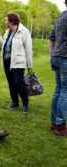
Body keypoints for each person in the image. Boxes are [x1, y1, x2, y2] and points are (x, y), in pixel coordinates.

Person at [0, 12, 32, 114]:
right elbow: (3, 45)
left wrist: (29, 65)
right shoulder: (7, 32)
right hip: (7, 61)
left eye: (6, 20)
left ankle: (25, 104)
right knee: (11, 82)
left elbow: (28, 49)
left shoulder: (24, 31)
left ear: (12, 21)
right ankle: (15, 102)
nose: (5, 21)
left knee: (19, 83)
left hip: (18, 62)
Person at [48, 0, 67, 136]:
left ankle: (54, 121)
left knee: (58, 89)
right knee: (65, 91)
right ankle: (60, 126)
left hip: (55, 56)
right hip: (65, 58)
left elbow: (51, 37)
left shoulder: (61, 16)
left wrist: (51, 55)